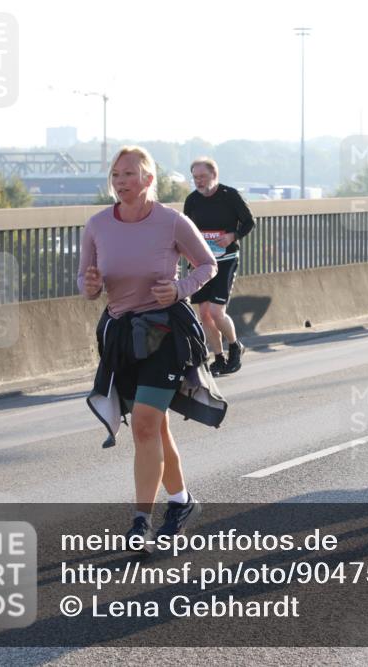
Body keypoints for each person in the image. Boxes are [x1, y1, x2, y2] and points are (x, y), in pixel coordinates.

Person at [79, 146, 218, 548]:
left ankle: (141, 521)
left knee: (143, 423)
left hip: (165, 333)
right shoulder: (97, 225)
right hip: (123, 337)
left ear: (148, 179)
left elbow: (207, 265)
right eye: (115, 175)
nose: (120, 181)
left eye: (129, 174)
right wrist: (90, 286)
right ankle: (182, 502)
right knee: (153, 427)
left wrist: (180, 289)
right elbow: (86, 282)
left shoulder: (171, 222)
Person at [184, 157, 256, 375]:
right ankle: (218, 358)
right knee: (204, 313)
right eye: (195, 177)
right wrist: (189, 258)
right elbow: (187, 232)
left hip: (226, 259)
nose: (198, 181)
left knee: (216, 311)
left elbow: (249, 222)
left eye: (202, 176)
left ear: (214, 175)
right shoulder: (192, 200)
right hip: (201, 262)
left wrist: (232, 236)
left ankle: (234, 346)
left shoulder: (229, 195)